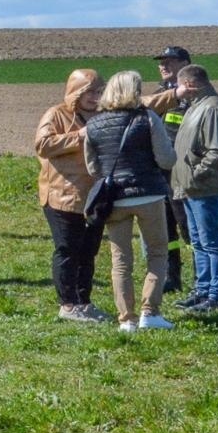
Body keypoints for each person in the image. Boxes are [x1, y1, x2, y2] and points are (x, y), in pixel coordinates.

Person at [83, 70, 176, 332]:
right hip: (149, 194)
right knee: (158, 252)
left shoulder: (93, 124)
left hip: (115, 199)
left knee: (121, 260)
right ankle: (151, 312)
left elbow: (93, 168)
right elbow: (166, 159)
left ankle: (127, 319)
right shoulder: (147, 118)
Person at [34, 69, 110, 322]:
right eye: (89, 92)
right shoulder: (56, 114)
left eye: (99, 92)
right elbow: (42, 145)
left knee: (89, 252)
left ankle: (84, 302)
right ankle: (67, 305)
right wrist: (77, 136)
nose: (94, 97)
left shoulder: (103, 116)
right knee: (68, 250)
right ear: (76, 92)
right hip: (61, 195)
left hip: (94, 195)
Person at [170, 64, 218, 313]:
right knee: (198, 242)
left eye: (180, 85)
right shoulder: (196, 107)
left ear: (191, 84)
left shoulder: (213, 108)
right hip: (188, 188)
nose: (177, 90)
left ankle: (216, 296)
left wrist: (196, 175)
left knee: (210, 242)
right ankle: (201, 290)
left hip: (203, 188)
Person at [144, 45, 193, 292]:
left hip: (183, 174)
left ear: (185, 64)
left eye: (170, 61)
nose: (163, 65)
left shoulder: (195, 97)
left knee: (189, 227)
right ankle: (172, 277)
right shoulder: (157, 96)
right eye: (161, 61)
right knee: (165, 230)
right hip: (159, 174)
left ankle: (201, 279)